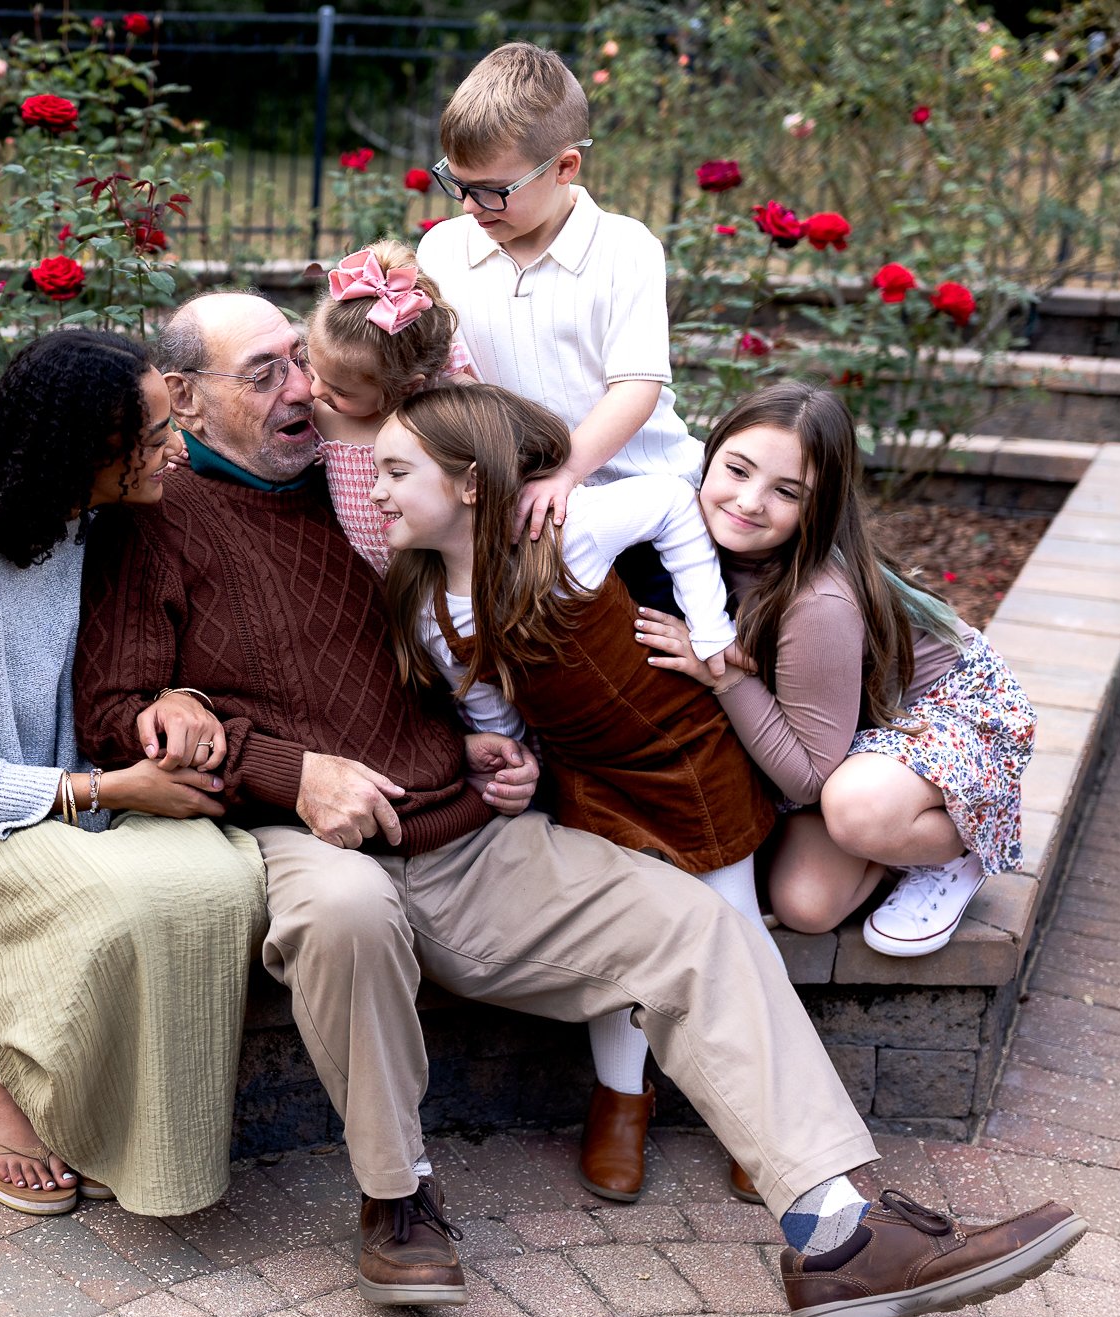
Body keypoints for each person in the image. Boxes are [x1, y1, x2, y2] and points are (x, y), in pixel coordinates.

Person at [75, 289, 1083, 1317]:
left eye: (303, 361)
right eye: (267, 372)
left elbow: (436, 646)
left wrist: (480, 750)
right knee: (345, 915)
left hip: (463, 829)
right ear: (181, 397)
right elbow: (111, 711)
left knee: (690, 925)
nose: (306, 392)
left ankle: (836, 1231)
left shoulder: (359, 485)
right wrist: (288, 770)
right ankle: (396, 1197)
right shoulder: (158, 519)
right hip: (310, 836)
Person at [0, 328, 267, 1219]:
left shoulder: (94, 521)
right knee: (129, 908)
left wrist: (182, 693)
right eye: (158, 433)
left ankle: (58, 1096)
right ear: (93, 451)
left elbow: (152, 643)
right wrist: (109, 790)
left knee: (226, 878)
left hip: (78, 808)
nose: (179, 445)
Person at [371, 382, 775, 1202]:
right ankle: (622, 1099)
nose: (374, 489)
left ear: (469, 483)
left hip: (687, 757)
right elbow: (485, 700)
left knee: (737, 930)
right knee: (624, 944)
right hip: (591, 779)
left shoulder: (568, 530)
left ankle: (759, 1113)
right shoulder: (427, 609)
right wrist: (512, 762)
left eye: (394, 470)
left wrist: (708, 624)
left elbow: (668, 501)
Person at [636, 382, 1035, 956]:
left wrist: (724, 675)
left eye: (787, 492)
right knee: (807, 906)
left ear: (817, 508)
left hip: (939, 715)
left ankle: (956, 846)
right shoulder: (685, 524)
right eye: (737, 470)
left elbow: (807, 778)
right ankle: (895, 842)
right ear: (709, 453)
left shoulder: (816, 600)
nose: (750, 502)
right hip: (839, 728)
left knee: (855, 810)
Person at [416, 42, 704, 608]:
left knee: (653, 658)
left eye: (493, 190)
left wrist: (566, 472)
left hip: (639, 506)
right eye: (457, 183)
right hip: (519, 504)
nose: (471, 207)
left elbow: (637, 386)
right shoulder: (444, 249)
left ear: (565, 167)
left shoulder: (624, 248)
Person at [305, 239, 477, 574]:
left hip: (434, 577)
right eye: (311, 369)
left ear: (407, 386)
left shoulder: (444, 408)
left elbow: (508, 441)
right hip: (362, 579)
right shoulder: (318, 414)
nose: (315, 390)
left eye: (339, 390)